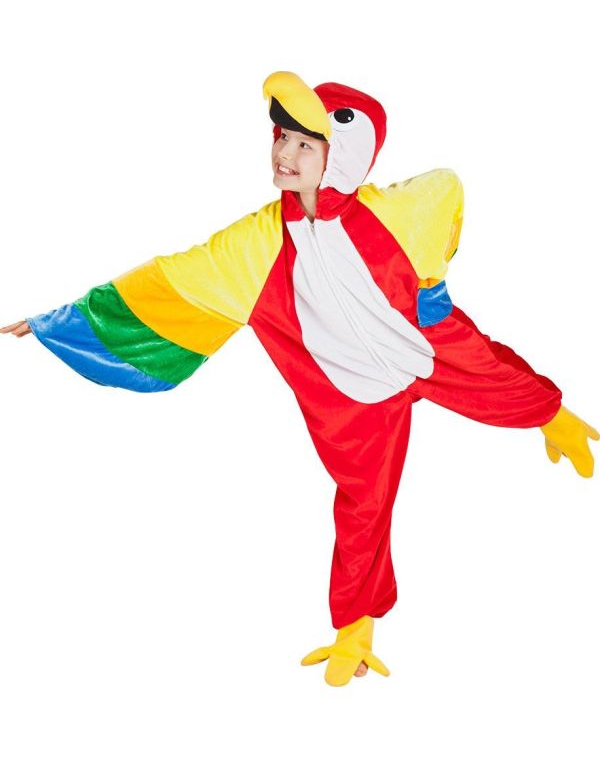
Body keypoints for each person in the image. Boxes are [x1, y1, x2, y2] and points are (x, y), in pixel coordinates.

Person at [2, 70, 598, 687]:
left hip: (428, 349)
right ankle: (355, 631)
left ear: (342, 157)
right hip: (351, 394)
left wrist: (432, 284)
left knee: (499, 378)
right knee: (364, 508)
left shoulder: (394, 213)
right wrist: (59, 322)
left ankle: (554, 418)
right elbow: (168, 282)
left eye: (305, 144)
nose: (285, 153)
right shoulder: (255, 246)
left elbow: (445, 188)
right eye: (281, 138)